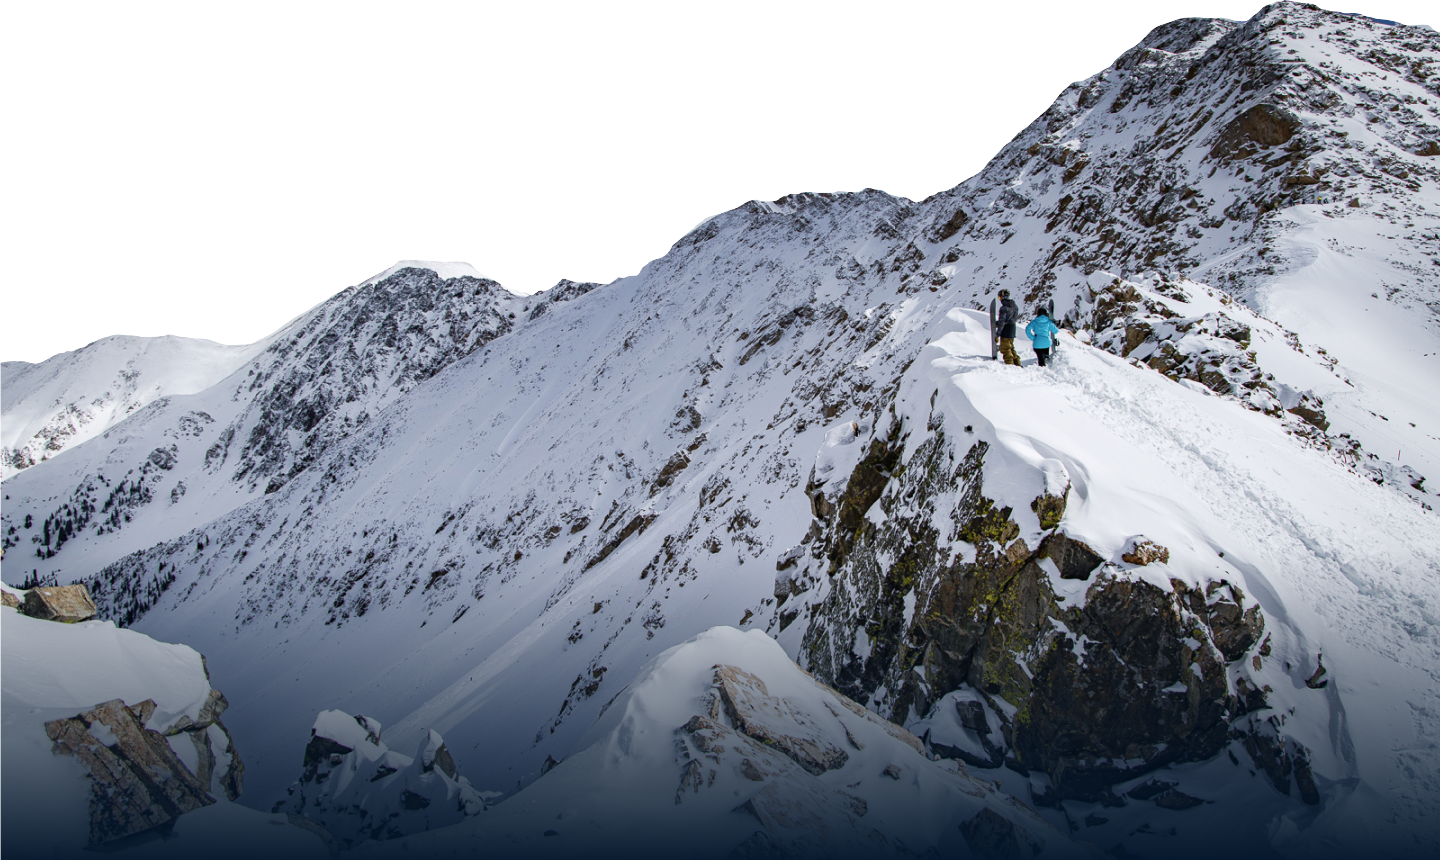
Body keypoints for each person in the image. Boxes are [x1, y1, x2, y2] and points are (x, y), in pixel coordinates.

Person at [996, 289, 1021, 366]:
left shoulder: (1004, 308)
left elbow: (1002, 322)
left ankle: (1010, 365)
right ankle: (1017, 363)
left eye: (999, 298)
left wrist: (997, 334)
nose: (1000, 299)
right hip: (1012, 328)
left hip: (1006, 330)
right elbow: (1014, 318)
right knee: (1011, 347)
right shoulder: (1015, 306)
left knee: (1005, 348)